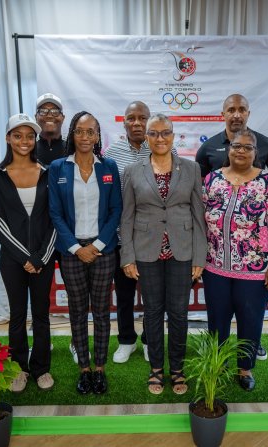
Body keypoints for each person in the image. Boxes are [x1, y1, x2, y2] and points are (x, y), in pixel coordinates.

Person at [195, 93, 268, 361]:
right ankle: (218, 365)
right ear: (228, 149)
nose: (241, 151)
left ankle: (245, 368)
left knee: (250, 318)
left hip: (255, 269)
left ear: (256, 152)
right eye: (236, 146)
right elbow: (199, 217)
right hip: (215, 266)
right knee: (217, 320)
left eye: (247, 148)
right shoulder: (212, 180)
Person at [120, 114, 206, 395]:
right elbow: (127, 217)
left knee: (179, 313)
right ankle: (156, 369)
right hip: (146, 252)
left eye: (165, 133)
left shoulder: (191, 169)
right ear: (146, 137)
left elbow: (198, 215)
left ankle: (177, 369)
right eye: (154, 133)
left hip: (182, 251)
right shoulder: (132, 171)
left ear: (173, 135)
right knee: (153, 312)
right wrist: (127, 256)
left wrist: (199, 257)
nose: (160, 138)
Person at [48, 111, 122, 395]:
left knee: (101, 312)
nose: (85, 137)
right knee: (78, 312)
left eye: (91, 131)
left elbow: (116, 209)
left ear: (98, 136)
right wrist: (77, 248)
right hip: (71, 252)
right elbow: (55, 212)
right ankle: (84, 369)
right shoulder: (58, 168)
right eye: (79, 131)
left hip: (103, 251)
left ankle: (100, 368)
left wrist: (98, 245)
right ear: (72, 134)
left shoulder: (109, 166)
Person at [0, 113, 57, 393]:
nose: (24, 141)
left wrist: (40, 257)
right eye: (17, 135)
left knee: (41, 314)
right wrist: (24, 257)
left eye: (29, 136)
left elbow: (56, 217)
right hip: (13, 261)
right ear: (8, 138)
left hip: (43, 259)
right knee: (17, 314)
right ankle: (19, 368)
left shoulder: (48, 173)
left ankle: (41, 368)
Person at [105, 101, 178, 364]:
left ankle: (150, 339)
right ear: (124, 122)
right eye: (131, 118)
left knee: (154, 296)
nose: (137, 123)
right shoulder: (111, 153)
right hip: (122, 236)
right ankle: (127, 340)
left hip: (155, 238)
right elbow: (111, 198)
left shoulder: (165, 149)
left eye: (142, 118)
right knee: (124, 294)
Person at [35, 93, 68, 165]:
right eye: (43, 111)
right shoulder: (28, 149)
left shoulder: (73, 149)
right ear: (36, 117)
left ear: (63, 118)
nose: (49, 116)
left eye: (55, 111)